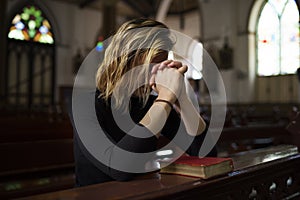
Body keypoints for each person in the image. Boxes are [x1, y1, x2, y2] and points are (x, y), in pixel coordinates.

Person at [73, 18, 217, 187]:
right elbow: (120, 169)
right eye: (152, 65)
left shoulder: (151, 104)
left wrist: (181, 98)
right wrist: (164, 99)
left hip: (144, 192)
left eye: (161, 65)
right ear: (127, 61)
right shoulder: (84, 105)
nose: (157, 73)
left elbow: (205, 153)